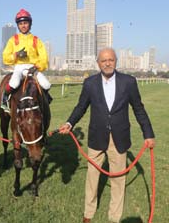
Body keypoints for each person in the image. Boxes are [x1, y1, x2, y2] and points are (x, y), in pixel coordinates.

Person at [58, 48, 155, 223]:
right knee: (92, 177)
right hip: (97, 136)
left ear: (116, 61)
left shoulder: (129, 82)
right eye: (104, 60)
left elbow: (139, 109)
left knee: (118, 179)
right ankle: (89, 211)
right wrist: (69, 123)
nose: (107, 63)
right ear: (98, 63)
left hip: (119, 137)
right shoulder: (90, 83)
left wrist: (148, 134)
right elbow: (81, 107)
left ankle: (114, 216)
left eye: (111, 59)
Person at [1, 8, 52, 112]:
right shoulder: (13, 40)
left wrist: (37, 66)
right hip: (19, 67)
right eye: (20, 24)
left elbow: (44, 58)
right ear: (18, 25)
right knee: (14, 83)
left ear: (30, 24)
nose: (23, 25)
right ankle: (4, 99)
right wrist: (16, 55)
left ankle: (44, 101)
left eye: (25, 23)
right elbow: (5, 57)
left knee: (47, 85)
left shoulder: (36, 40)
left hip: (33, 67)